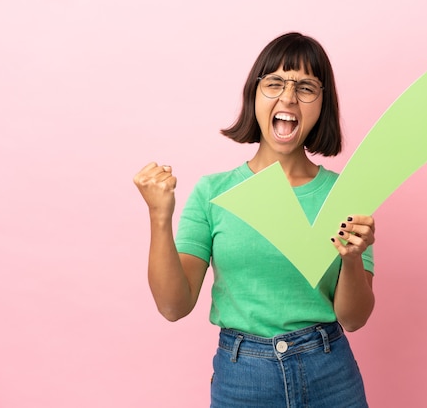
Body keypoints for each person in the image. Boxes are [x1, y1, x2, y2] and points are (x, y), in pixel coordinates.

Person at [133, 32, 376, 408]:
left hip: (331, 374)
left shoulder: (346, 196)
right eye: (275, 83)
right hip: (242, 377)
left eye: (306, 87)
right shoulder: (213, 194)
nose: (289, 97)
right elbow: (173, 306)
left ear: (323, 104)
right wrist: (159, 216)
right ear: (254, 94)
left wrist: (351, 256)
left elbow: (354, 318)